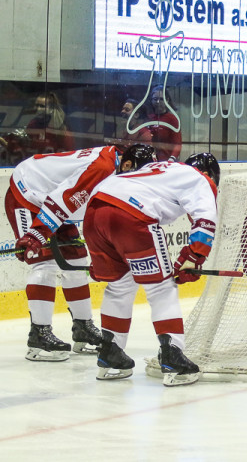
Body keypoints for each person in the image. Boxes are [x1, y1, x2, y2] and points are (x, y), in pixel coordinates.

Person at [8, 143, 156, 362]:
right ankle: (39, 333)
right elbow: (65, 198)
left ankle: (83, 327)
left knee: (77, 261)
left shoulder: (117, 169)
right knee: (45, 264)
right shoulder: (102, 169)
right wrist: (37, 234)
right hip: (28, 194)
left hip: (56, 204)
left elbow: (96, 215)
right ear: (127, 164)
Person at [82, 153, 219, 386]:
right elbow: (205, 219)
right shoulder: (199, 178)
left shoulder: (161, 170)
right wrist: (194, 256)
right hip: (132, 214)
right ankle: (173, 356)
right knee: (162, 287)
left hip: (94, 211)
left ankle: (110, 354)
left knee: (119, 284)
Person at [141, 85, 181, 162]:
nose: (158, 102)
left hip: (166, 161)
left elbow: (177, 144)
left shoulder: (172, 119)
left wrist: (171, 159)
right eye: (155, 99)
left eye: (161, 99)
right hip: (149, 161)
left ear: (167, 100)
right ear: (151, 100)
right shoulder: (148, 118)